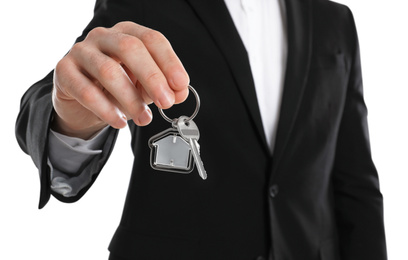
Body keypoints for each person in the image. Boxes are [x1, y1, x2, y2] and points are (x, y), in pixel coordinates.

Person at [15, 0, 387, 259]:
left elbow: (356, 182)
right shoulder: (146, 4)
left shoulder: (335, 20)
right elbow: (61, 89)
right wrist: (73, 120)